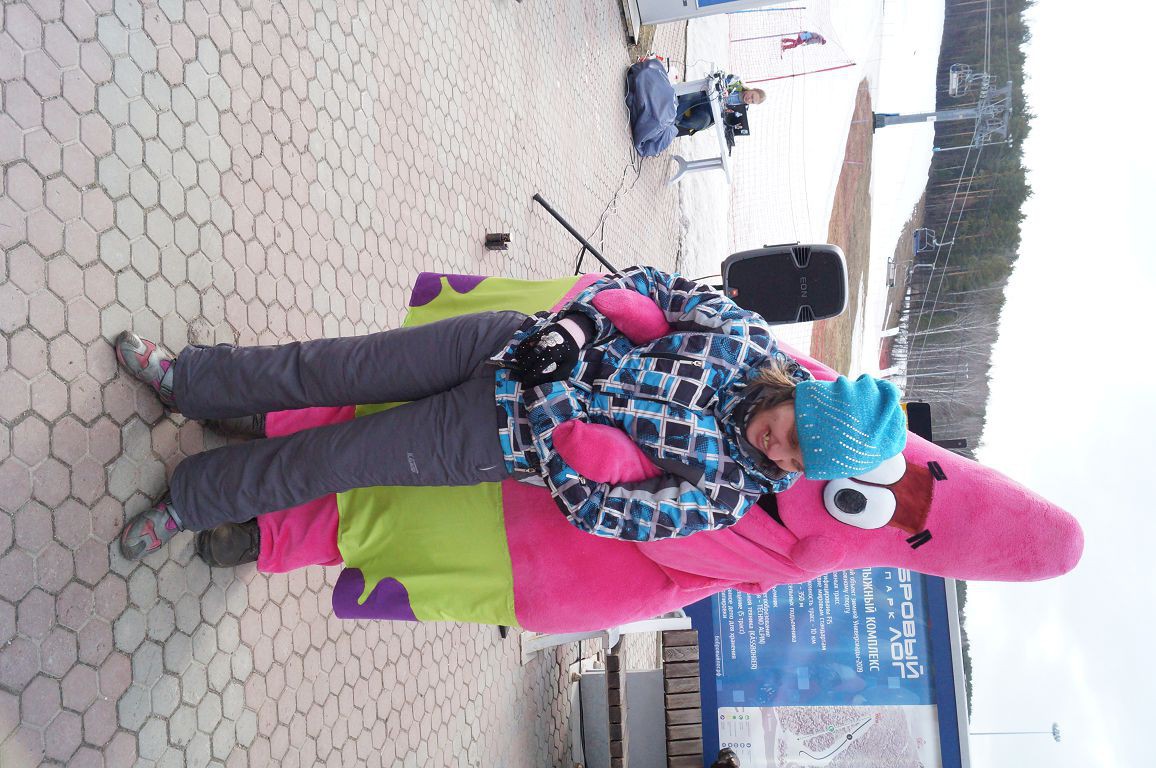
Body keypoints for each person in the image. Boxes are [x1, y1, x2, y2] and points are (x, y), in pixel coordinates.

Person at [114, 266, 906, 563]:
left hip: (491, 436)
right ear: (801, 397)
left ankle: (190, 502)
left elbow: (607, 514)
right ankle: (189, 381)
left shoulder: (731, 491)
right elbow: (648, 289)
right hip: (501, 342)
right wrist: (569, 333)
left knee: (331, 460)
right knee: (328, 366)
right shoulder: (742, 338)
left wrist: (553, 407)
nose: (781, 453)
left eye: (798, 463)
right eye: (795, 435)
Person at [675, 75, 766, 137]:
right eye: (752, 96)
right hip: (705, 96)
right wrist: (724, 88)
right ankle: (674, 119)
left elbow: (727, 124)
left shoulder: (741, 111)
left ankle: (676, 124)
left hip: (709, 113)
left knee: (703, 122)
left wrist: (726, 114)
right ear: (752, 89)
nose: (749, 99)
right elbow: (721, 79)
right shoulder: (736, 83)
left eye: (752, 101)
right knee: (690, 95)